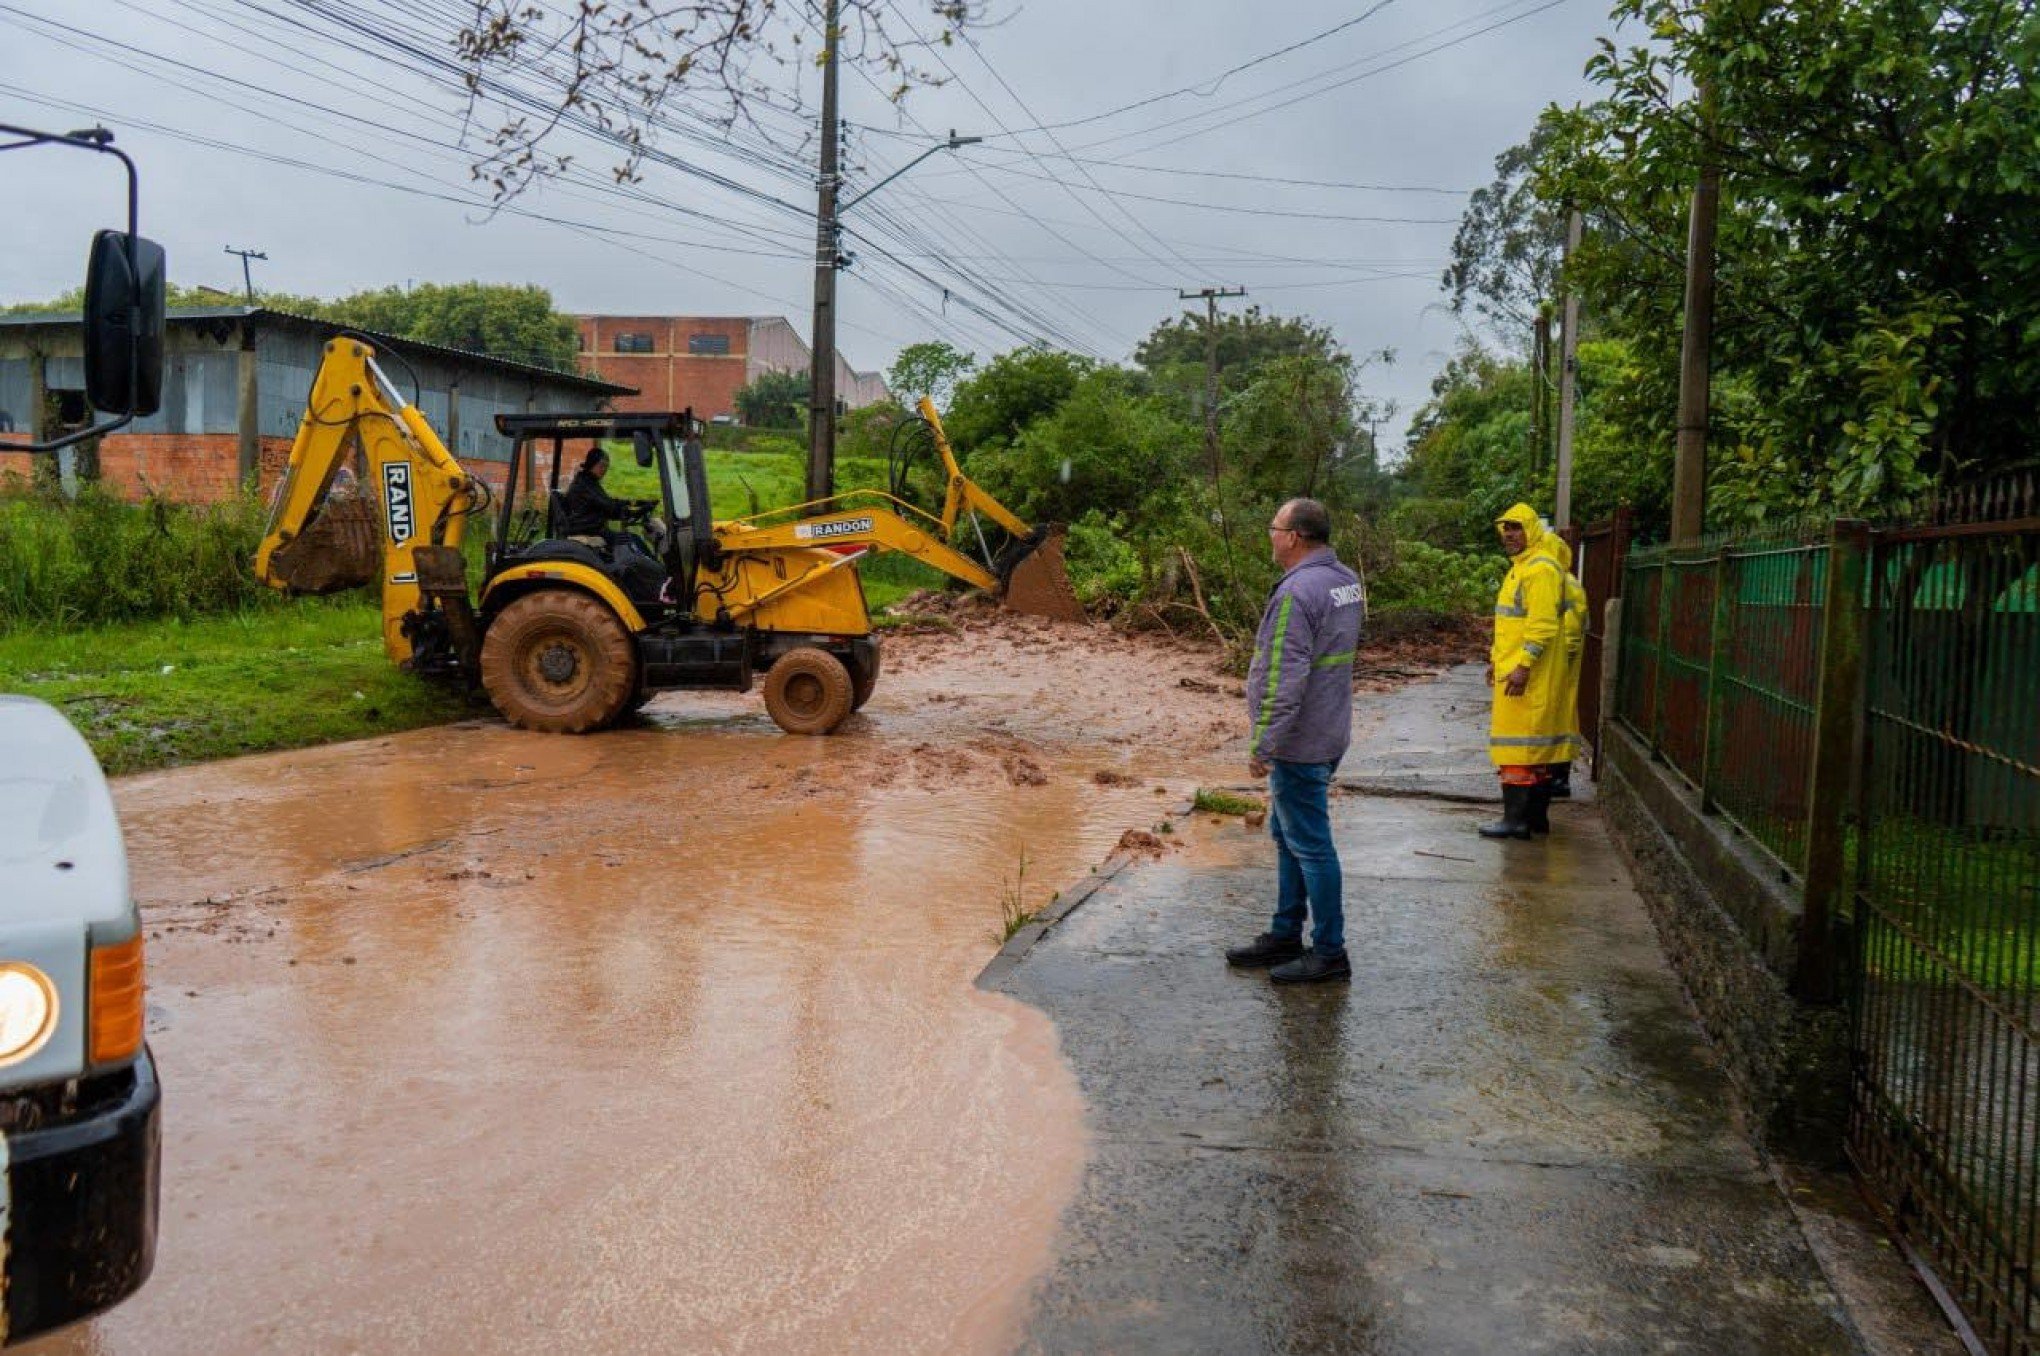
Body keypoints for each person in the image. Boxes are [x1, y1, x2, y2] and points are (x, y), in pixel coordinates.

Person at [1224, 498, 1367, 985]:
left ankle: (1329, 952)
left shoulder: (1297, 593)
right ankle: (1286, 932)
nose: (1270, 534)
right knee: (1289, 837)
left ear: (1295, 537)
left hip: (1301, 739)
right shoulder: (1344, 581)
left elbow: (1285, 677)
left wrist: (1264, 744)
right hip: (1330, 729)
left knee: (1311, 845)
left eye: (1275, 527)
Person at [1481, 503, 1577, 839]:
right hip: (1517, 671)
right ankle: (1535, 819)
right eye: (1506, 529)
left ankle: (1515, 820)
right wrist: (1497, 660)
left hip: (1526, 676)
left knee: (1518, 751)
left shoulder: (1538, 570)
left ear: (1532, 530)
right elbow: (1510, 626)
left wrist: (1522, 667)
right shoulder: (1524, 568)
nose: (1509, 534)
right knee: (1533, 751)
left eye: (1516, 528)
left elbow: (1541, 626)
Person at [562, 448, 630, 540]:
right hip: (587, 529)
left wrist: (627, 504)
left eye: (606, 467)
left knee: (629, 539)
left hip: (592, 528)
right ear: (591, 464)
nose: (604, 470)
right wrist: (625, 507)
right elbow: (606, 505)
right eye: (601, 466)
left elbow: (606, 502)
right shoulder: (585, 484)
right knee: (628, 541)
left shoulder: (589, 481)